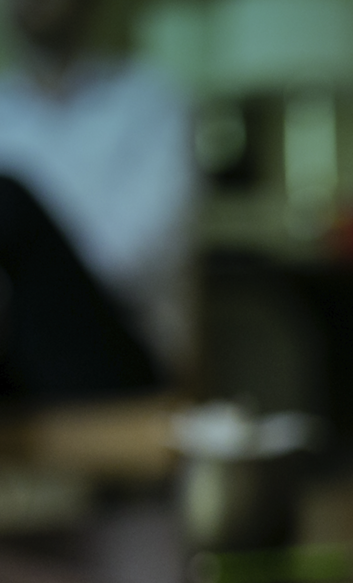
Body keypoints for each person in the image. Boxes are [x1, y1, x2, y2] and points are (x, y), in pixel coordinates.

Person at [0, 0, 196, 399]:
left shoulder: (150, 102)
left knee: (8, 199)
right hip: (15, 348)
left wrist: (39, 245)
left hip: (121, 346)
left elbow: (134, 259)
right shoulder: (4, 108)